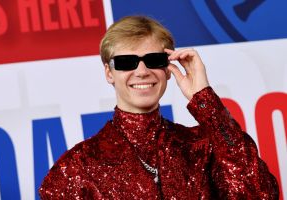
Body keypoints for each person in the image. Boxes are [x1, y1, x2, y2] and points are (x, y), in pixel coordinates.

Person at [39, 16, 279, 199]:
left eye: (153, 60)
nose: (142, 71)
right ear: (109, 73)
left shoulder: (202, 148)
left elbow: (260, 193)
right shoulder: (76, 167)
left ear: (167, 68)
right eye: (126, 62)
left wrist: (204, 99)